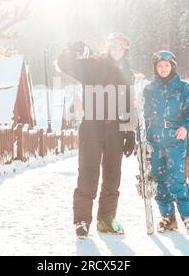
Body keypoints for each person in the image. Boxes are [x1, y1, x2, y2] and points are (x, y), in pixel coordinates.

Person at [56, 32, 135, 238]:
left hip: (116, 133)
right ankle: (82, 221)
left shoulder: (128, 73)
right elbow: (63, 64)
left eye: (122, 47)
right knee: (88, 174)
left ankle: (106, 220)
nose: (118, 50)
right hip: (92, 129)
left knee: (112, 177)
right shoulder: (92, 64)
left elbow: (128, 104)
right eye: (115, 46)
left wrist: (130, 132)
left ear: (125, 51)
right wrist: (71, 51)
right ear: (108, 46)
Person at [143, 50, 189, 234]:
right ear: (156, 68)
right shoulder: (149, 89)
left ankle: (188, 218)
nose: (163, 68)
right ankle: (168, 219)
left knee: (176, 180)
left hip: (176, 138)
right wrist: (145, 137)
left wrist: (186, 127)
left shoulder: (184, 88)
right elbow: (146, 114)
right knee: (160, 180)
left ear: (172, 66)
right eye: (160, 65)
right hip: (156, 139)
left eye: (166, 65)